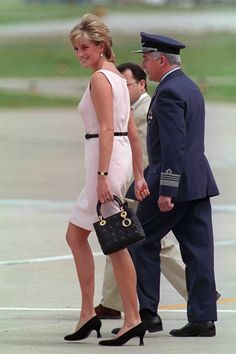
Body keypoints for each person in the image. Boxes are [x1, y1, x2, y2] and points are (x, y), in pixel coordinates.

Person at [126, 32, 219, 337]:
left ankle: (147, 313)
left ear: (161, 60)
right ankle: (203, 319)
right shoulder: (189, 87)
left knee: (140, 240)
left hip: (174, 185)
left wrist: (166, 190)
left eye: (146, 59)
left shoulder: (167, 93)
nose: (144, 65)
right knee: (198, 251)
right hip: (198, 182)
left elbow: (173, 146)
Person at [64, 14, 150, 347]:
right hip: (114, 160)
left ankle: (132, 318)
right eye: (76, 48)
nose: (80, 54)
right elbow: (130, 131)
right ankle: (89, 313)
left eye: (85, 47)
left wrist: (102, 177)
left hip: (105, 163)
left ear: (101, 46)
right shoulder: (116, 76)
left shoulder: (101, 79)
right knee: (78, 236)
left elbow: (105, 130)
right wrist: (138, 173)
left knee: (115, 244)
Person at [95, 62, 188, 323]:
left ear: (141, 85)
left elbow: (148, 156)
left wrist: (137, 187)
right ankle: (112, 302)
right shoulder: (126, 111)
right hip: (124, 188)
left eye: (125, 86)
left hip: (139, 189)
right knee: (117, 241)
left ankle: (198, 291)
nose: (120, 93)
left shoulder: (146, 110)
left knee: (156, 244)